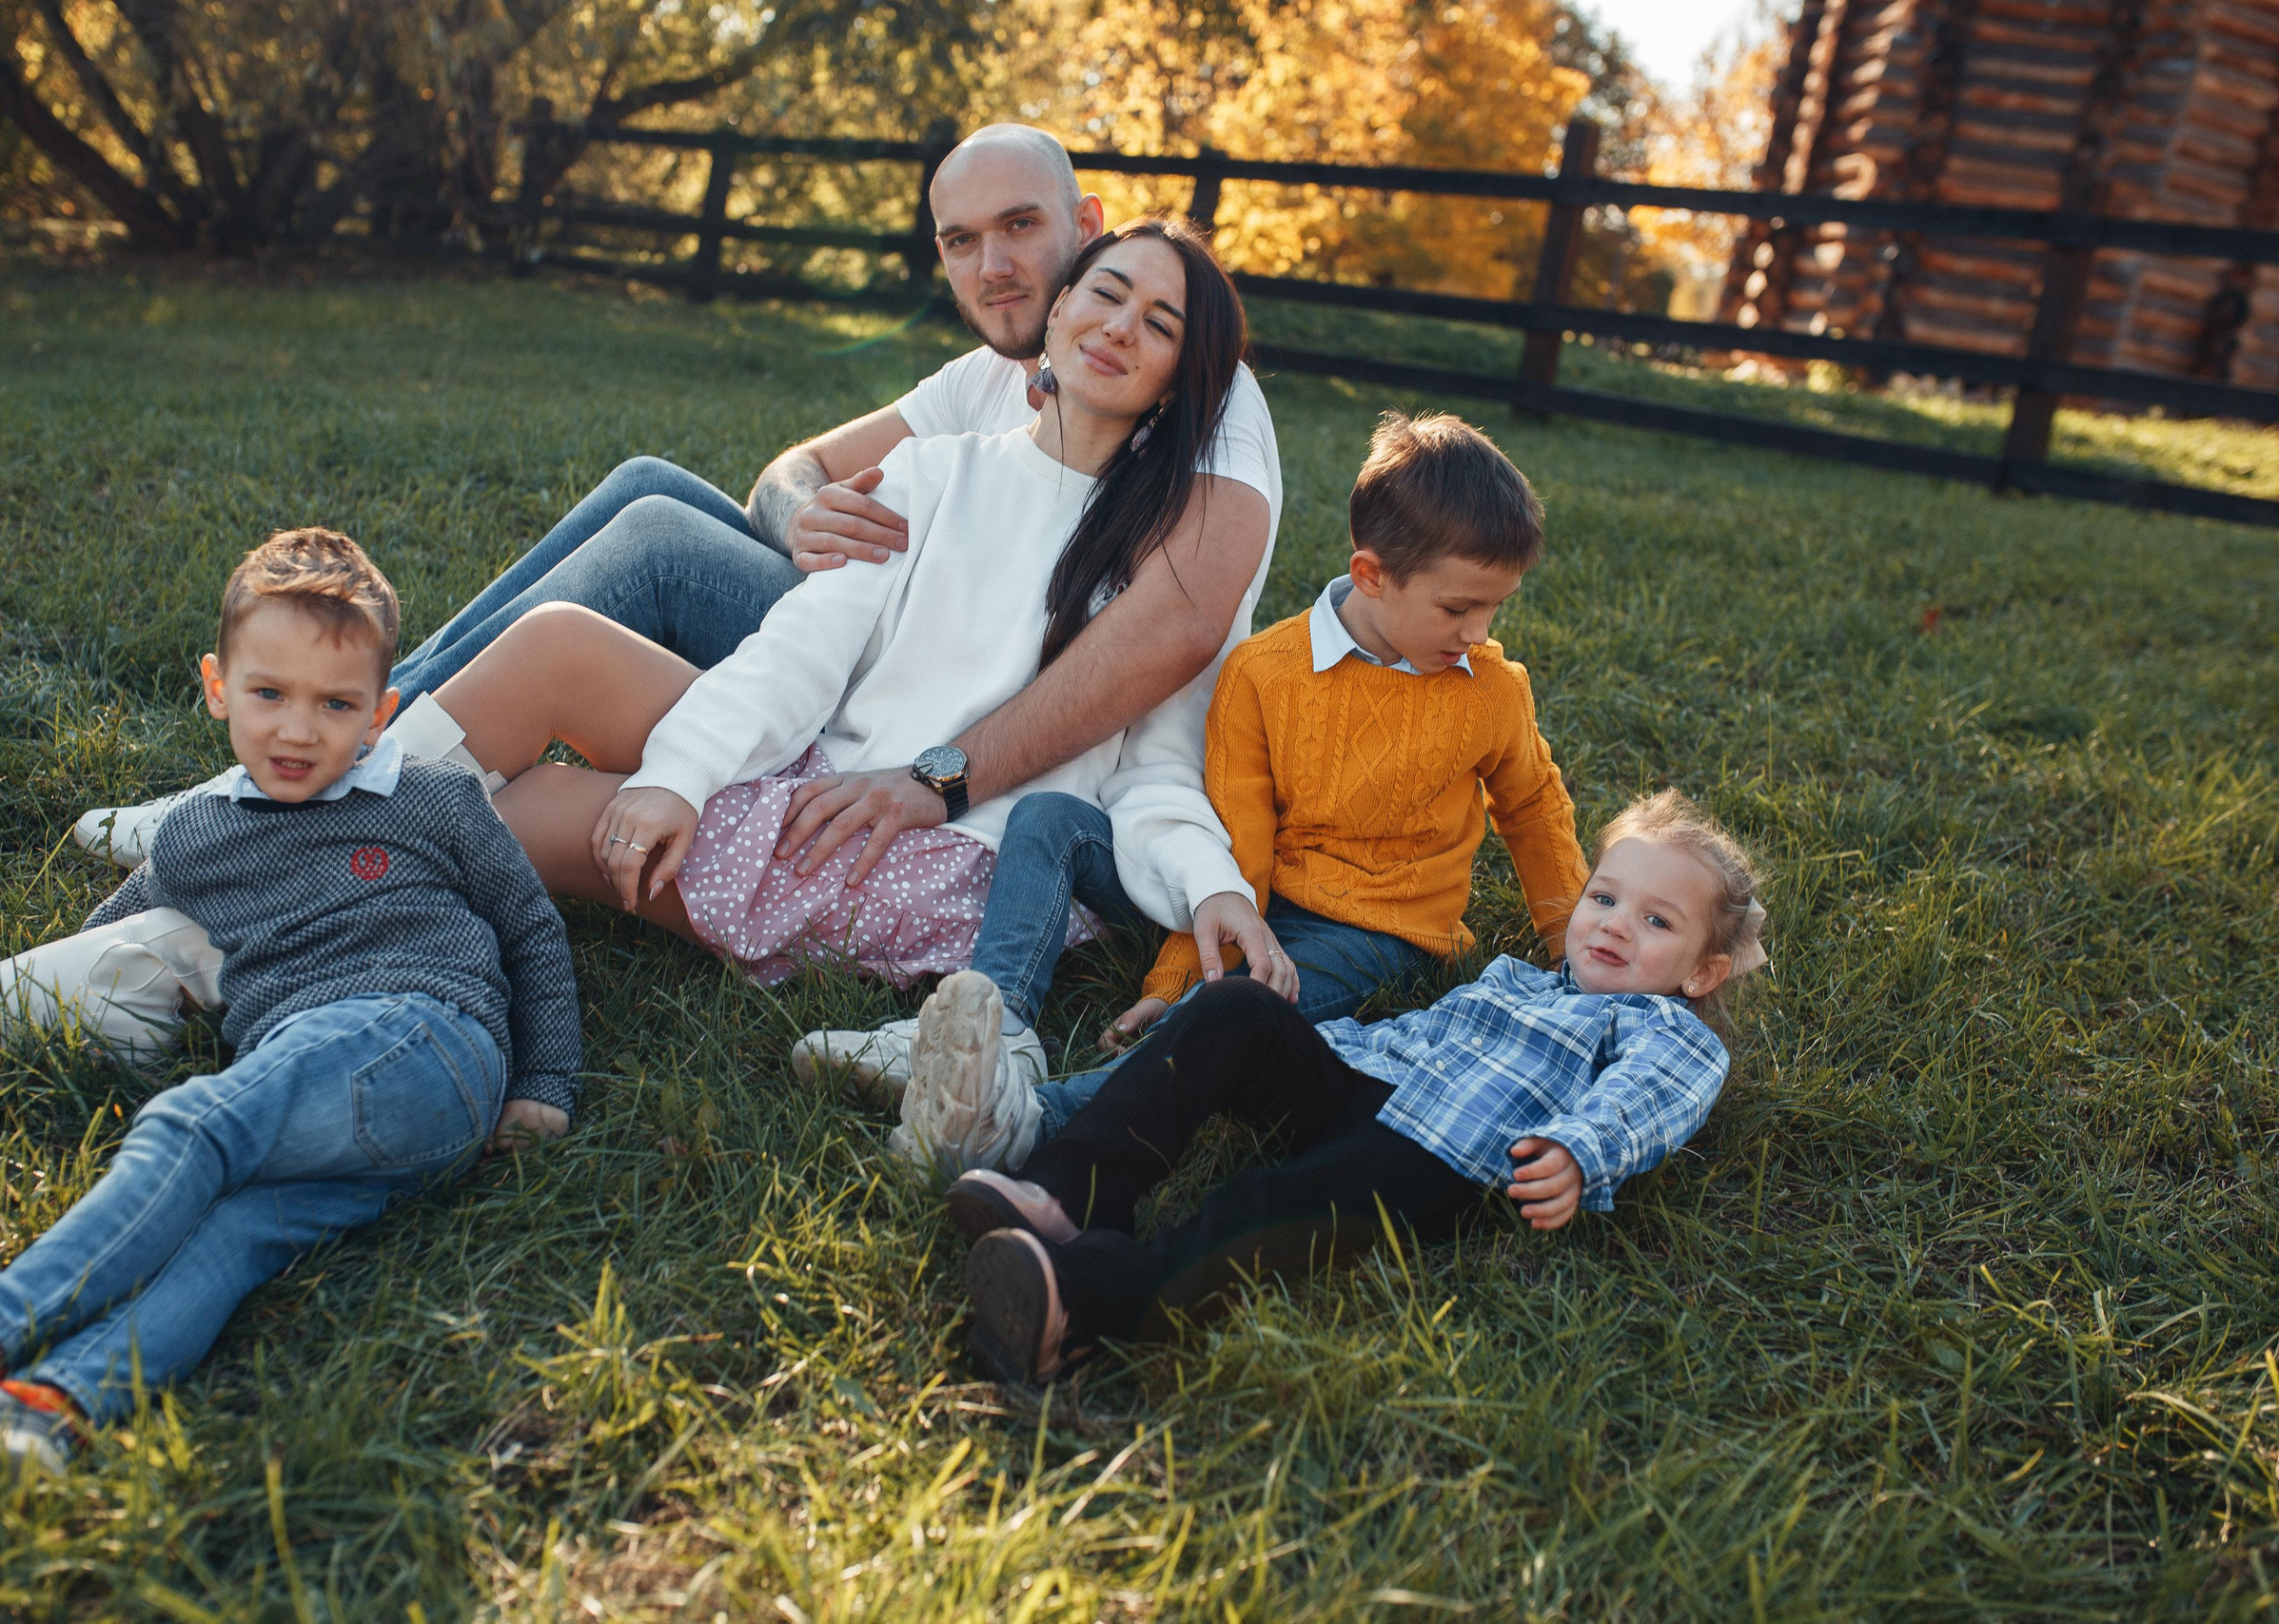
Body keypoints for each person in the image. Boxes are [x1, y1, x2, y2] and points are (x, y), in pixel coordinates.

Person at [71, 126, 1283, 987]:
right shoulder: (977, 401)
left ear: (1081, 232)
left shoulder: (1202, 413)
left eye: (1023, 230)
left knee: (644, 548)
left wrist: (942, 780)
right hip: (848, 688)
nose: (996, 267)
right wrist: (801, 512)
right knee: (651, 494)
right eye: (962, 242)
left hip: (944, 792)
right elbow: (794, 475)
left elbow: (1172, 648)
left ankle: (282, 824)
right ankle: (322, 765)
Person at [347, 219, 1277, 1014]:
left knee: (532, 811)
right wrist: (678, 774)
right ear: (1060, 306)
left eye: (1158, 326)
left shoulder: (1164, 562)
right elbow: (798, 649)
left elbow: (1158, 770)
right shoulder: (931, 472)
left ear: (1176, 382)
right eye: (1106, 294)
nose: (1119, 327)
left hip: (945, 860)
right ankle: (287, 831)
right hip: (826, 770)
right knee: (557, 644)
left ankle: (282, 901)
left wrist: (1211, 884)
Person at [0, 531, 580, 1468]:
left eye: (336, 705)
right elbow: (108, 925)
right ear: (216, 687)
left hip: (421, 1038)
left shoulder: (431, 799)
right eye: (268, 693)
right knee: (234, 1234)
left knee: (193, 1126)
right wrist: (35, 981)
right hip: (347, 1120)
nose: (295, 729)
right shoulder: (201, 832)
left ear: (380, 712)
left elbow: (530, 930)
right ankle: (47, 1409)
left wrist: (546, 1083)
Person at [894, 411, 1588, 1176]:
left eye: (1495, 607)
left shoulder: (1491, 689)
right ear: (1371, 574)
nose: (1478, 632)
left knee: (1222, 1018)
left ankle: (1022, 1120)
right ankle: (996, 1022)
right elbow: (1240, 843)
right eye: (1458, 608)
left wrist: (1579, 962)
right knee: (1051, 820)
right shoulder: (1265, 672)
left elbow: (1533, 811)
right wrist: (1180, 971)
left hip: (1376, 929)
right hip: (1247, 897)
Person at [928, 790, 1769, 1383]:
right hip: (1369, 1087)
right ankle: (1070, 1191)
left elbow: (1659, 1095)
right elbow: (1407, 1036)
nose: (1616, 923)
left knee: (1268, 1203)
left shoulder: (1664, 1029)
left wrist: (1582, 1152)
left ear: (1705, 971)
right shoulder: (1518, 978)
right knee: (1235, 1010)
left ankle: (1084, 1306)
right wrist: (1295, 1048)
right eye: (1605, 897)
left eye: (1657, 921)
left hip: (1440, 1159)